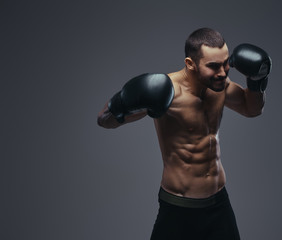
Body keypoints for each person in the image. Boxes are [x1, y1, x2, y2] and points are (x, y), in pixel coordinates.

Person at [97, 27, 272, 240]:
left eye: (226, 63)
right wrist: (123, 103)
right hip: (178, 207)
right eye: (214, 66)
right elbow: (104, 120)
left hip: (218, 203)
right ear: (190, 64)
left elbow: (252, 109)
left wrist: (257, 82)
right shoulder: (166, 92)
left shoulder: (220, 86)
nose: (223, 72)